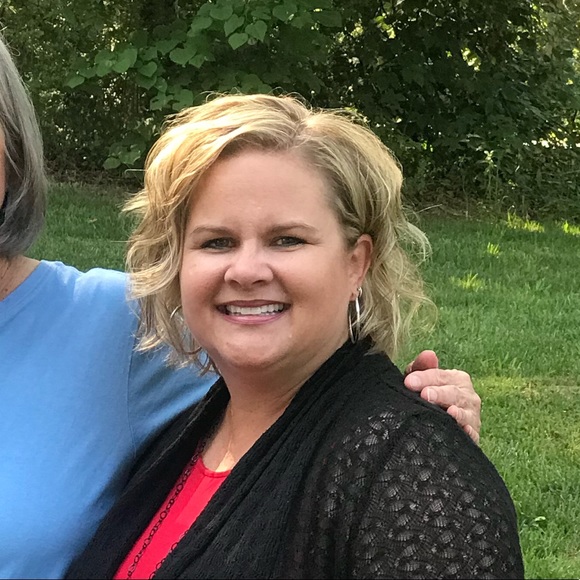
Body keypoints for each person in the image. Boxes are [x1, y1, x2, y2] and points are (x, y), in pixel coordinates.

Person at [0, 35, 482, 579]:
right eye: (217, 242)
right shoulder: (201, 433)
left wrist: (424, 432)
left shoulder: (406, 467)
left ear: (357, 262)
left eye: (287, 240)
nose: (246, 271)